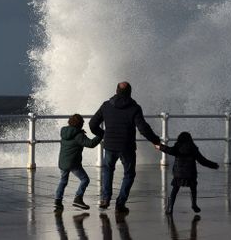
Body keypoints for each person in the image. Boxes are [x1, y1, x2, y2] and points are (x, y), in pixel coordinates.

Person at [89, 81, 161, 213]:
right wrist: (155, 140)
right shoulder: (134, 108)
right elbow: (143, 128)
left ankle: (105, 199)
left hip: (110, 146)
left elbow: (92, 124)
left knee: (108, 171)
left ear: (116, 91)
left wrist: (104, 135)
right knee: (129, 174)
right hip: (126, 146)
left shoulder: (106, 106)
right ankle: (120, 203)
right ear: (130, 92)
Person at [156, 132, 219, 214]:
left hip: (178, 174)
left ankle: (170, 208)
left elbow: (169, 150)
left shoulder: (177, 147)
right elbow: (202, 160)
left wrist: (160, 146)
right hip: (190, 173)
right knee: (193, 188)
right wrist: (213, 165)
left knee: (175, 190)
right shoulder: (193, 148)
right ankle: (194, 204)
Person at [55, 114, 101, 212]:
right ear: (80, 124)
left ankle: (58, 201)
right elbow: (91, 144)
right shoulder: (78, 135)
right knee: (85, 179)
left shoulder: (64, 131)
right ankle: (78, 198)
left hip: (62, 162)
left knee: (63, 181)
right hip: (73, 163)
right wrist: (100, 135)